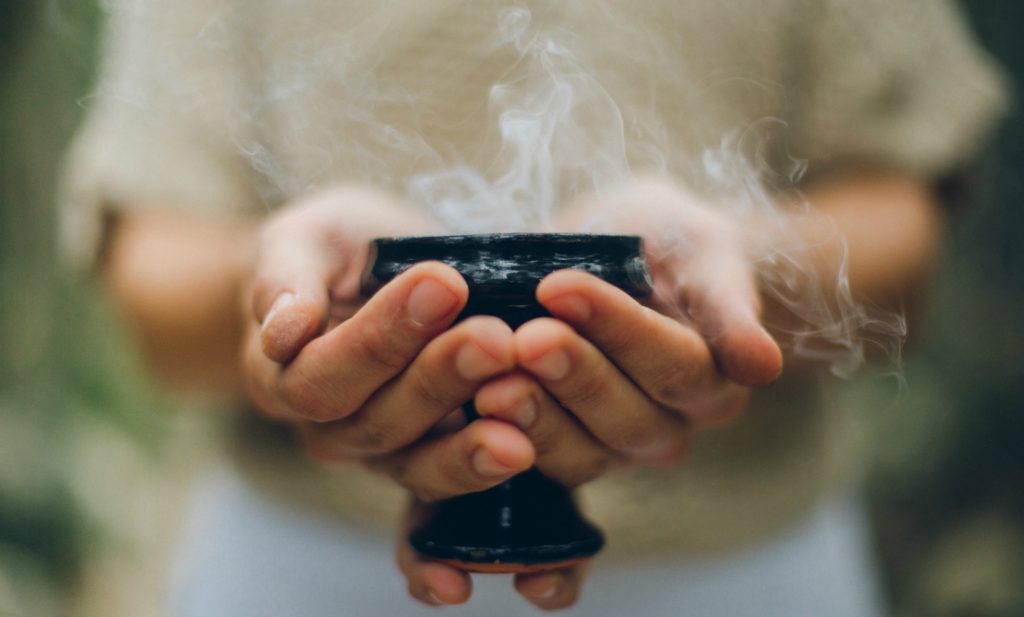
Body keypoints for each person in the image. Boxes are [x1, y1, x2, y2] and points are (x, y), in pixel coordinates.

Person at [61, 0, 1005, 615]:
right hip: (302, 572)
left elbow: (899, 233)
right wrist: (281, 307)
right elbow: (155, 281)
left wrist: (733, 274)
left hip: (744, 574)